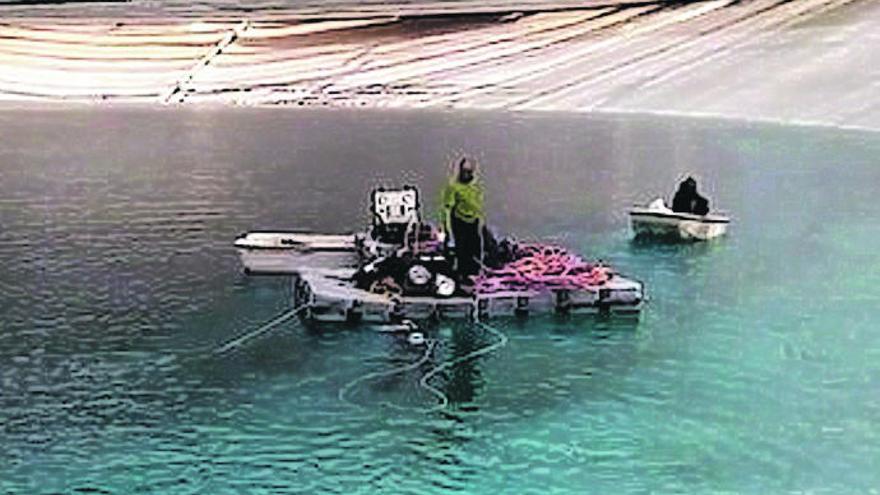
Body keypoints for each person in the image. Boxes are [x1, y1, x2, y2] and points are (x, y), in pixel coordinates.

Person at [439, 157, 486, 284]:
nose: (467, 174)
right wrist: (447, 229)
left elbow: (478, 204)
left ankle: (475, 274)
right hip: (459, 221)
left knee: (475, 248)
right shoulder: (453, 187)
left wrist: (480, 220)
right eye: (464, 171)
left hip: (474, 221)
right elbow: (447, 208)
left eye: (469, 172)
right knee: (462, 250)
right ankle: (462, 276)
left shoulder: (475, 186)